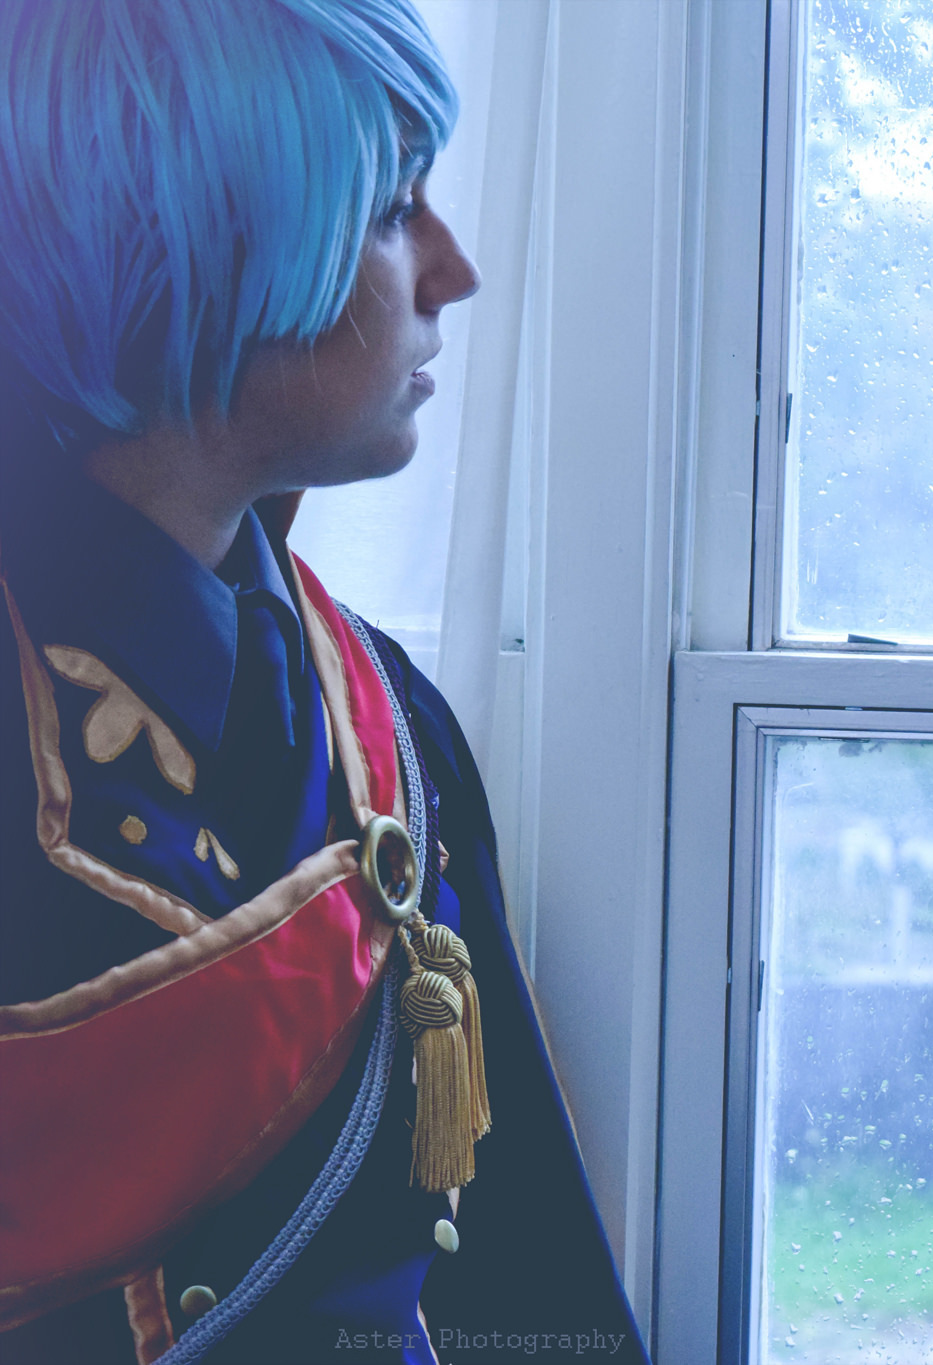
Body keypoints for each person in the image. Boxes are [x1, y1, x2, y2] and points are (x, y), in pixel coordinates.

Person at [0, 3, 647, 1362]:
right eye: (394, 207)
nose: (454, 270)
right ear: (191, 241)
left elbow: (526, 1285)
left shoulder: (387, 713)